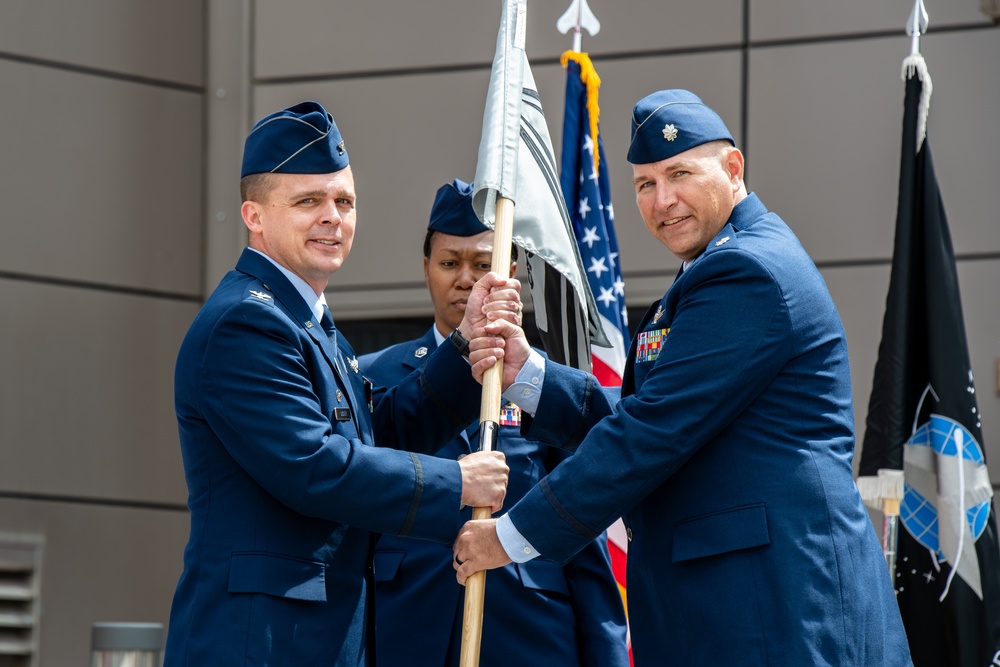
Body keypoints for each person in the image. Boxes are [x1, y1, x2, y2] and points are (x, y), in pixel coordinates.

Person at [452, 90, 914, 665]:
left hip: (777, 612)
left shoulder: (746, 272)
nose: (663, 200)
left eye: (680, 174)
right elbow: (660, 413)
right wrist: (527, 375)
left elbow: (652, 431)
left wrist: (510, 537)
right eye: (645, 184)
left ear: (733, 168)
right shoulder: (718, 267)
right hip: (736, 612)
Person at [163, 101, 517, 666]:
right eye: (308, 201)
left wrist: (463, 346)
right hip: (262, 642)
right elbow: (312, 464)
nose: (333, 217)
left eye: (344, 201)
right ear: (254, 216)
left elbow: (380, 433)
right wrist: (457, 483)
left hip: (313, 636)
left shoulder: (305, 320)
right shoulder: (246, 323)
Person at [358, 179, 629, 667]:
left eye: (482, 264)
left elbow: (582, 527)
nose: (465, 279)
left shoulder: (541, 385)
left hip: (530, 632)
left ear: (506, 272)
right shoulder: (371, 377)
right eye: (449, 263)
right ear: (426, 270)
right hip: (405, 629)